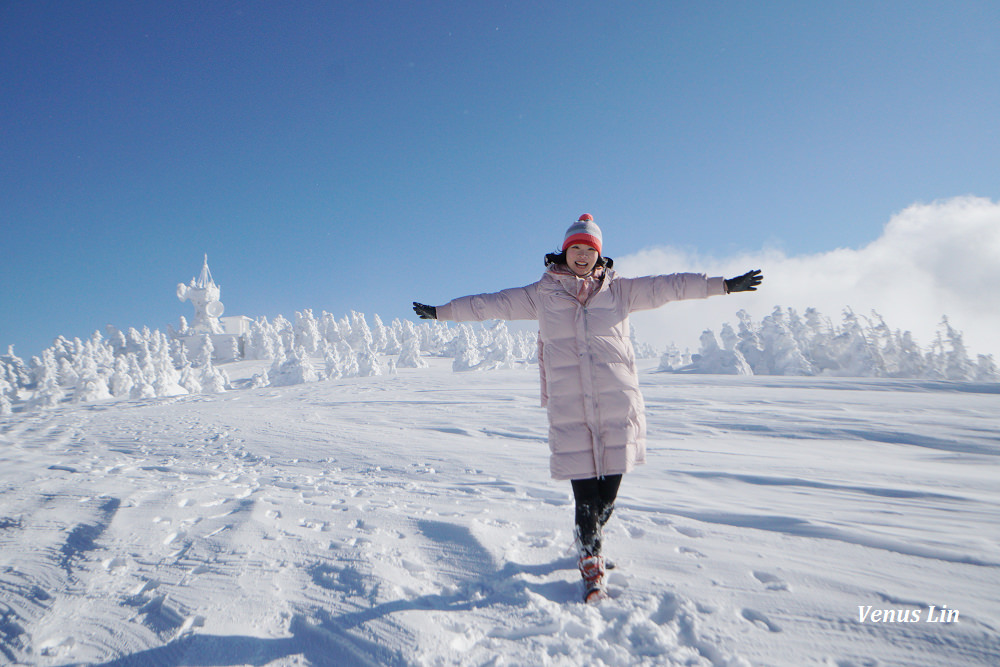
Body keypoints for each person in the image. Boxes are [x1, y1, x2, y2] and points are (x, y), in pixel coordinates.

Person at [412, 214, 762, 602]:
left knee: (608, 491)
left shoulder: (621, 291)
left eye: (589, 250)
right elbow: (489, 305)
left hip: (618, 402)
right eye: (575, 248)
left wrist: (723, 286)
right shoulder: (541, 294)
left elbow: (669, 287)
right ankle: (591, 560)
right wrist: (442, 312)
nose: (582, 255)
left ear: (599, 255)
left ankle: (587, 538)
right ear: (564, 252)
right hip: (570, 406)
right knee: (586, 495)